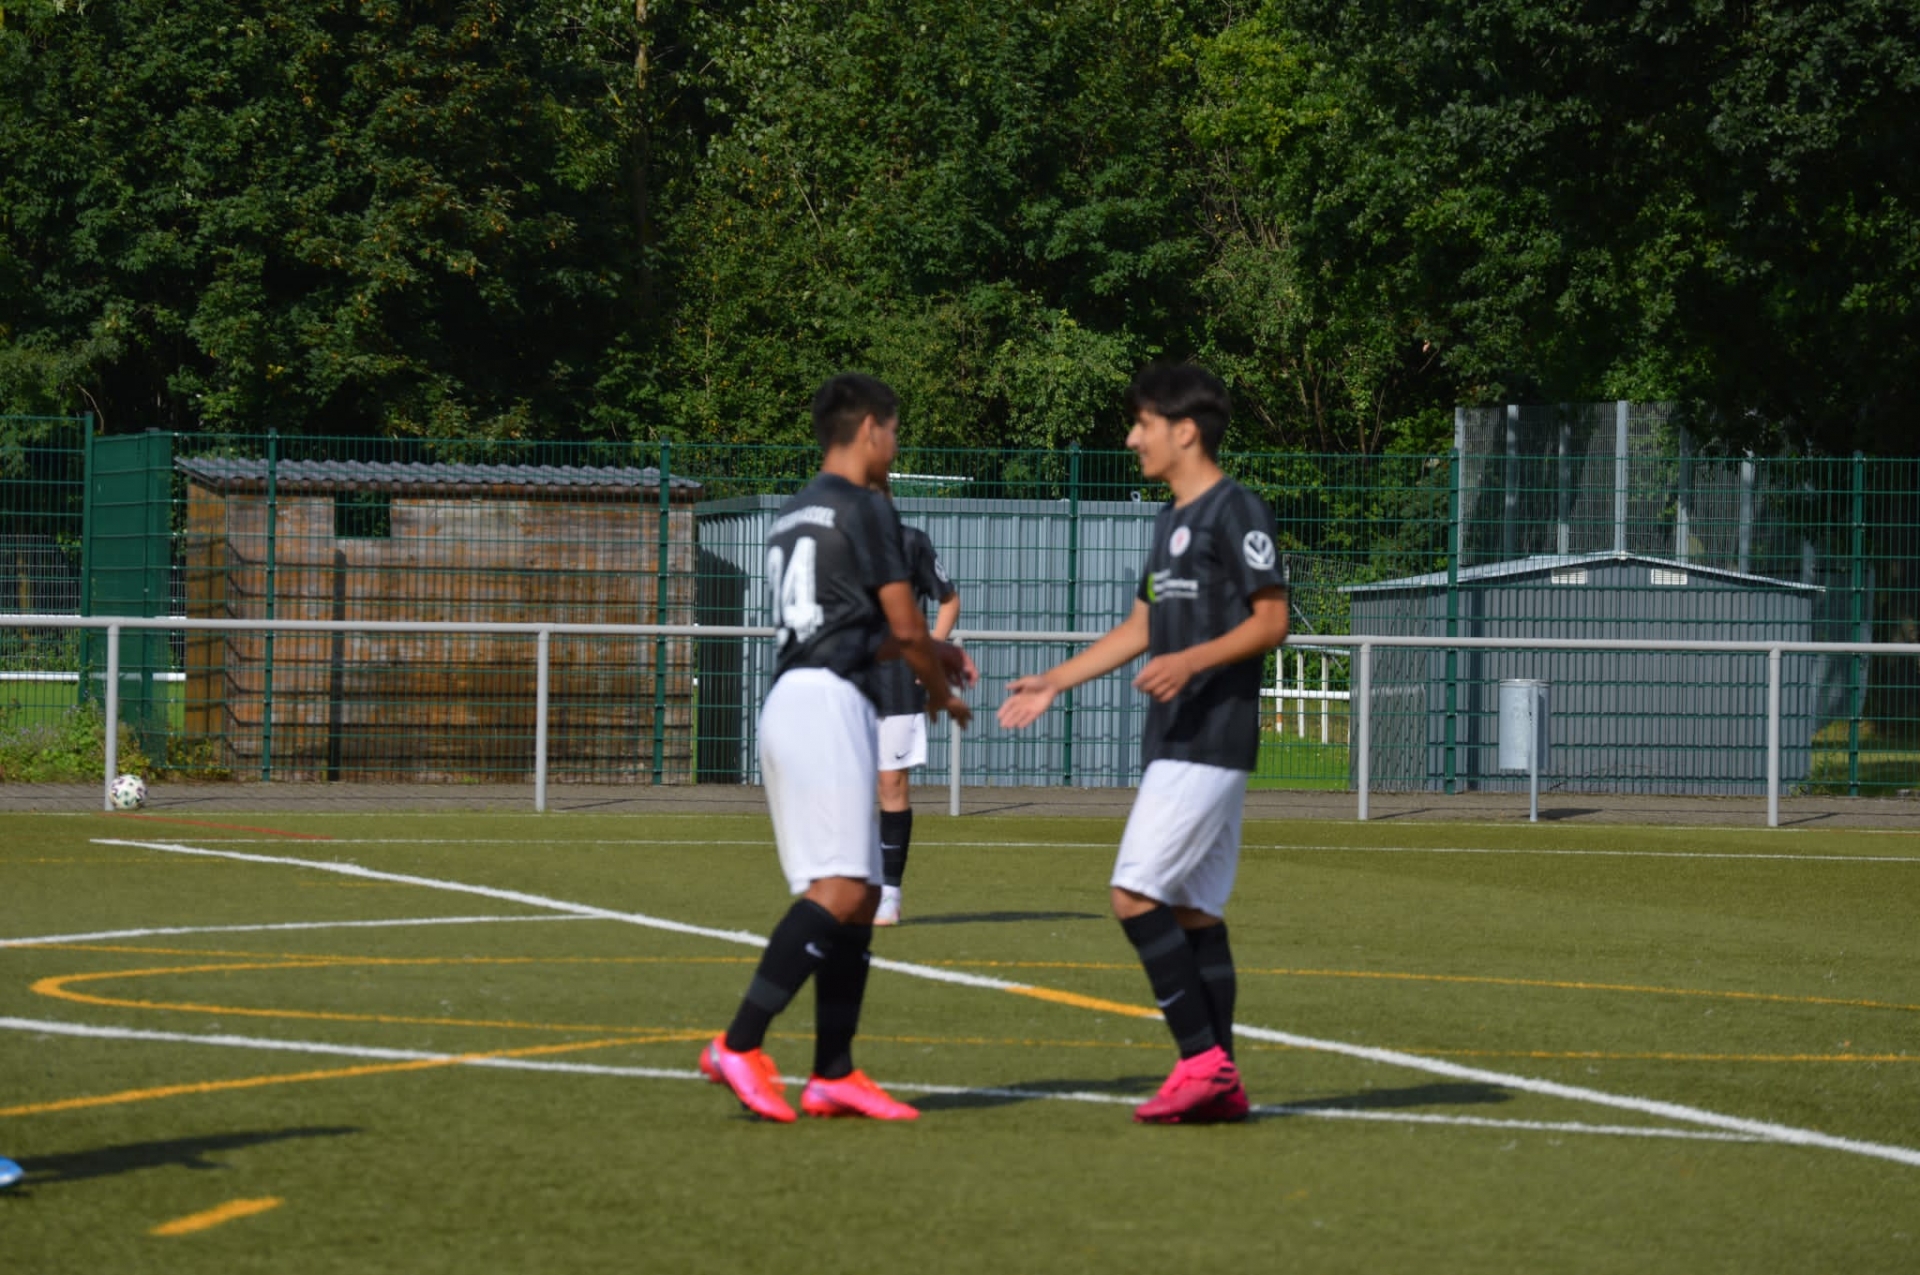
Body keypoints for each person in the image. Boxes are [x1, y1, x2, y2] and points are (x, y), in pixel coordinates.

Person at [997, 363, 1288, 1124]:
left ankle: (1200, 1060)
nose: (1132, 438)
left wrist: (1190, 661)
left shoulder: (1236, 509)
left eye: (1143, 424)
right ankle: (1222, 1081)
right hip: (1178, 738)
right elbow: (1140, 628)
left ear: (1184, 430)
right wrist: (1055, 680)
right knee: (1193, 912)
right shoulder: (1167, 522)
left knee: (1133, 895)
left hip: (1211, 735)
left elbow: (1272, 620)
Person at [699, 373, 975, 1123]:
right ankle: (739, 1042)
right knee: (845, 891)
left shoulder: (795, 510)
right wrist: (941, 691)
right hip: (826, 705)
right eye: (895, 430)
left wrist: (928, 654)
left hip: (800, 695)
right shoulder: (866, 506)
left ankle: (834, 1071)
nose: (897, 444)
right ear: (869, 429)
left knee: (858, 897)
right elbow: (906, 625)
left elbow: (854, 627)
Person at [868, 482, 961, 927]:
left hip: (899, 683)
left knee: (891, 784)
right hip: (846, 682)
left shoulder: (912, 542)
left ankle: (889, 894)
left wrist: (933, 649)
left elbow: (949, 599)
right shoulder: (837, 546)